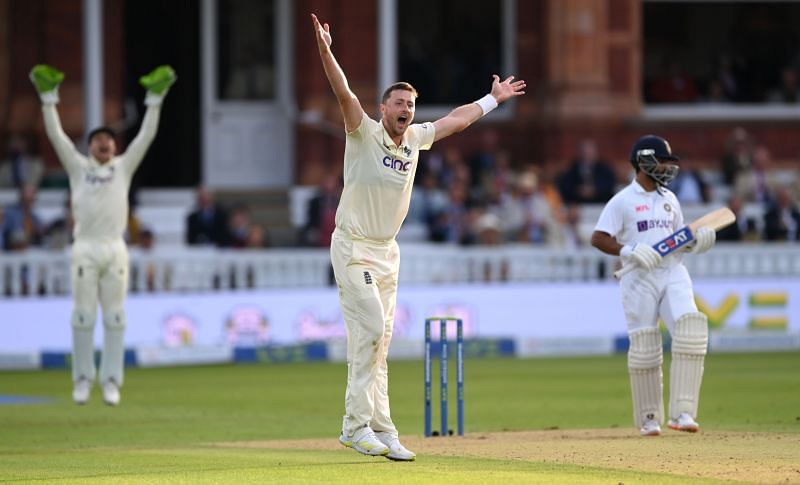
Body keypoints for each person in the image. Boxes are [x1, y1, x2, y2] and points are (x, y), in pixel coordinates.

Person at [312, 13, 525, 460]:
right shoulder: (363, 132)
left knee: (379, 342)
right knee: (370, 330)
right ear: (384, 107)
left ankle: (383, 429)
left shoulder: (415, 140)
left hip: (388, 252)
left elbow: (456, 120)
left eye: (410, 104)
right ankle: (354, 428)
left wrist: (493, 99)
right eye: (398, 103)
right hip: (353, 247)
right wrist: (327, 51)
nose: (405, 110)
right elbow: (343, 92)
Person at [30, 63, 175, 406]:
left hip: (115, 248)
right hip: (85, 248)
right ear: (90, 146)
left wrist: (155, 100)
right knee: (82, 316)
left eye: (108, 141)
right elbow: (56, 137)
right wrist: (48, 98)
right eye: (98, 141)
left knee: (115, 317)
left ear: (113, 146)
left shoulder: (122, 168)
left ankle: (111, 381)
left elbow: (146, 137)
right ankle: (82, 379)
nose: (104, 145)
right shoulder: (79, 168)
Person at [590, 135, 716, 437]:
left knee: (690, 329)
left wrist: (695, 243)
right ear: (643, 162)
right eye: (661, 160)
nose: (667, 167)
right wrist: (627, 250)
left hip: (673, 271)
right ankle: (649, 417)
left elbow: (678, 239)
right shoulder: (622, 201)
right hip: (639, 277)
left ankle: (683, 413)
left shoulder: (670, 199)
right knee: (646, 345)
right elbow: (598, 237)